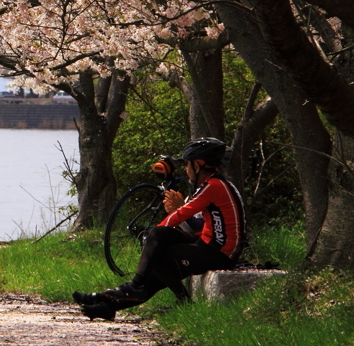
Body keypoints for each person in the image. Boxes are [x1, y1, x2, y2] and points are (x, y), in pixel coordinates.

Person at [73, 137, 247, 320]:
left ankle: (148, 292)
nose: (185, 169)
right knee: (158, 243)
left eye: (187, 164)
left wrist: (152, 237)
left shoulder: (213, 186)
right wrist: (156, 234)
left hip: (220, 253)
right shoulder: (213, 184)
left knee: (160, 254)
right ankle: (108, 305)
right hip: (208, 243)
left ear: (198, 165)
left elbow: (181, 214)